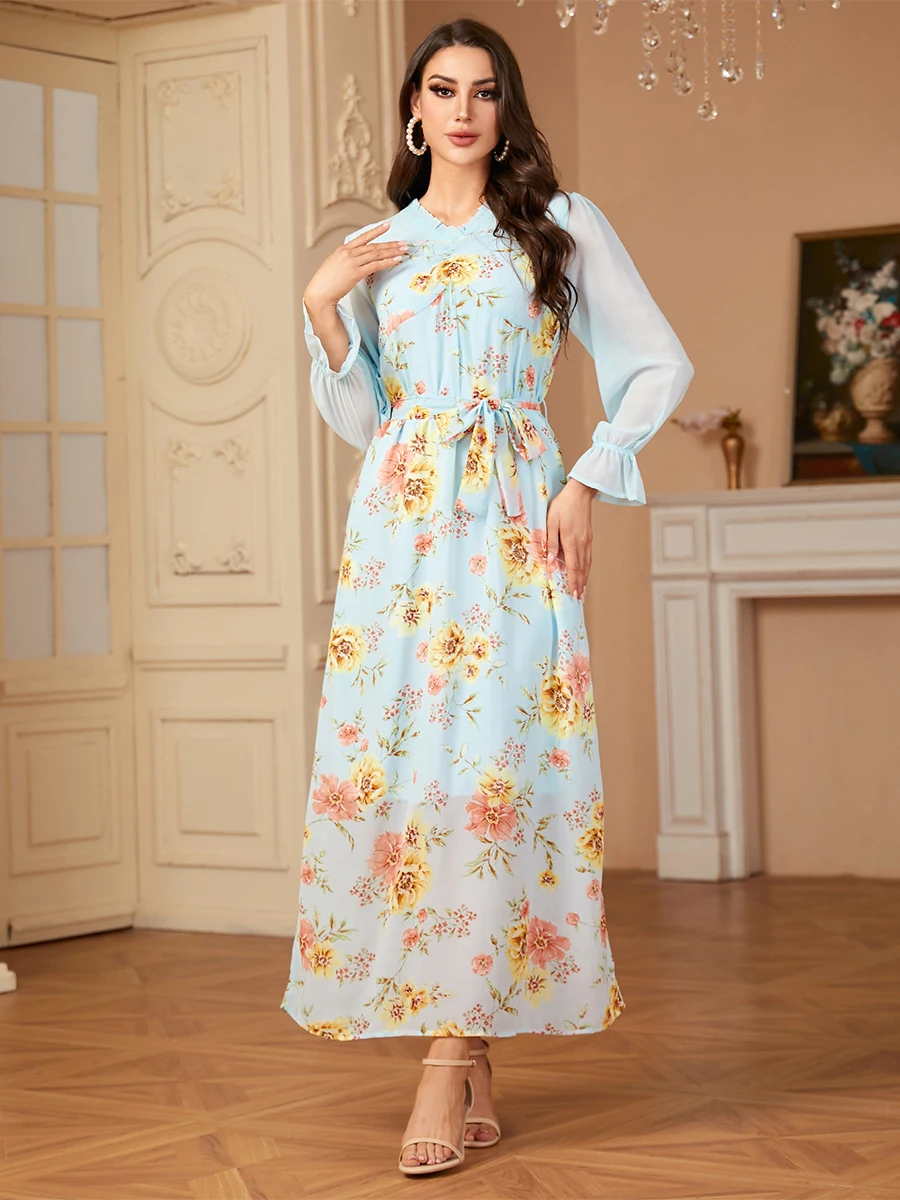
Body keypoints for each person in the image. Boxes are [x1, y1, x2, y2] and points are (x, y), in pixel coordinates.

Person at [281, 16, 694, 1178]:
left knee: (498, 770)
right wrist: (324, 311)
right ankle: (468, 1046)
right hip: (399, 537)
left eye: (484, 91)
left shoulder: (558, 226)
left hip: (515, 521)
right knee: (416, 776)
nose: (462, 110)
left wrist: (586, 479)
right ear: (414, 111)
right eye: (442, 89)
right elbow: (367, 419)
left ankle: (442, 1063)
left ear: (505, 110)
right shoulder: (380, 247)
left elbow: (655, 360)